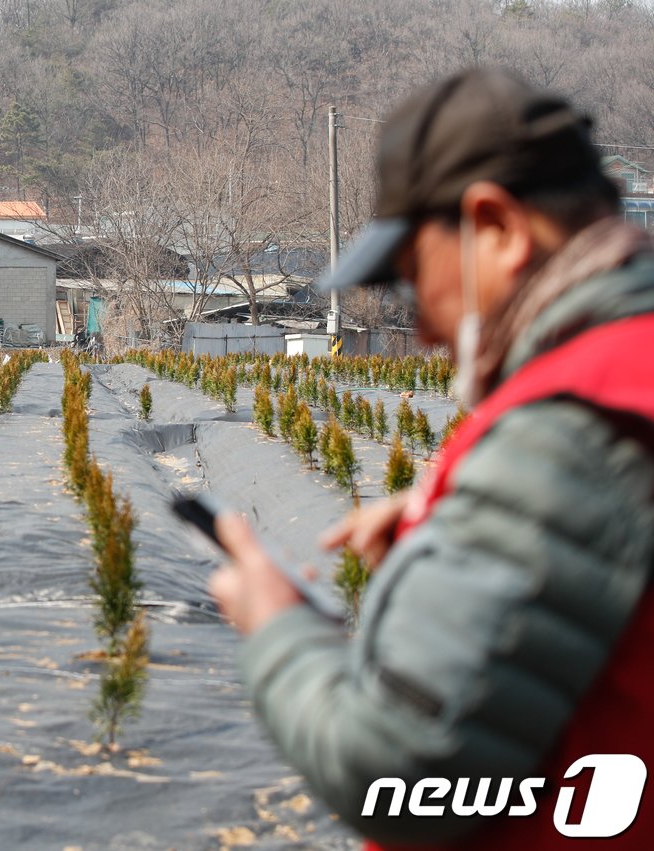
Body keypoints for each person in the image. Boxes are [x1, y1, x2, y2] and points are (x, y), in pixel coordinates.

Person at [208, 67, 654, 848]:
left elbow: (401, 770)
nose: (423, 334)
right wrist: (450, 524)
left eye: (417, 283)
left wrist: (275, 627)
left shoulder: (576, 427)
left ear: (497, 227)